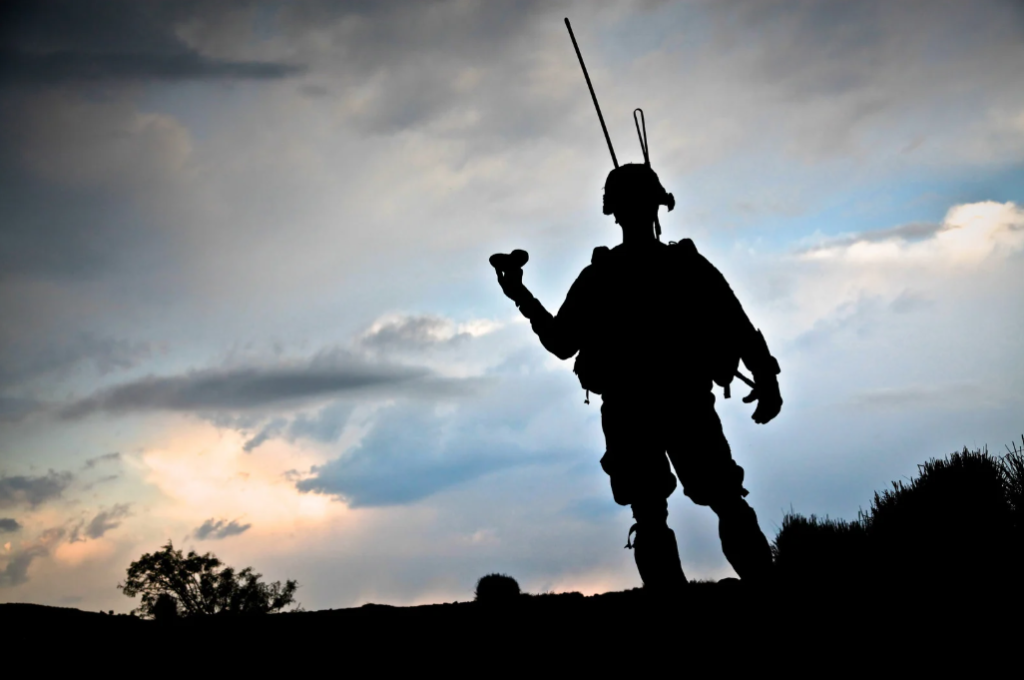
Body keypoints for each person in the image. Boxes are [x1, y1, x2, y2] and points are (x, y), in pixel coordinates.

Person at [492, 163, 783, 592]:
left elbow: (560, 342)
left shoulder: (601, 276)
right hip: (684, 402)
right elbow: (737, 325)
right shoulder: (686, 266)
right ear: (657, 205)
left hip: (632, 409)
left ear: (612, 210)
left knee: (653, 513)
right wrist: (766, 378)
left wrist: (519, 293)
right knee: (725, 500)